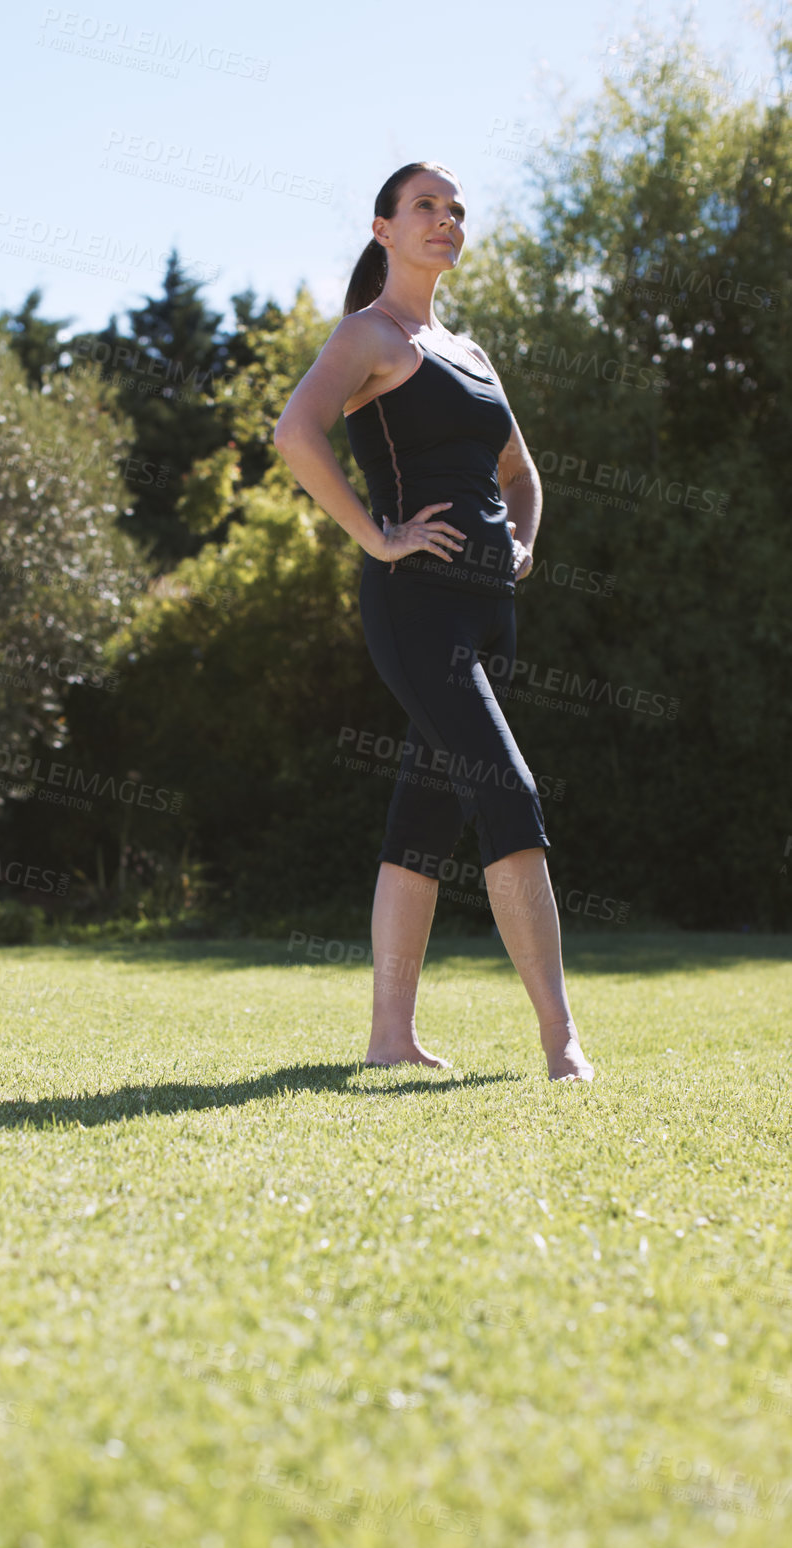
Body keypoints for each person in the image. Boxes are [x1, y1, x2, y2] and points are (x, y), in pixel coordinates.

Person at [272, 160, 593, 1083]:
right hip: (418, 613)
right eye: (426, 207)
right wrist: (377, 538)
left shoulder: (470, 352)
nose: (446, 220)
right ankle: (559, 1041)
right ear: (384, 230)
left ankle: (388, 1038)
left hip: (490, 616)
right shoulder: (368, 336)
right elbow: (299, 432)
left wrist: (521, 545)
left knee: (422, 820)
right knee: (509, 792)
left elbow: (521, 475)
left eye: (456, 210)